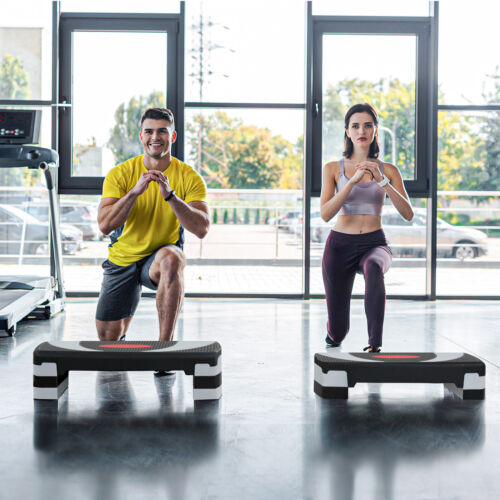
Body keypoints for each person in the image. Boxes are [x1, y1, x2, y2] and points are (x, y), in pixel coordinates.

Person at [96, 107, 209, 359]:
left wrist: (170, 195)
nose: (154, 137)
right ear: (141, 136)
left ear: (173, 136)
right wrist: (135, 191)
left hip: (157, 260)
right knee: (108, 341)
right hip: (122, 260)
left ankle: (164, 348)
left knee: (173, 257)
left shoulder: (189, 176)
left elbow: (201, 229)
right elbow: (104, 225)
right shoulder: (121, 174)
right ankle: (122, 321)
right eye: (149, 131)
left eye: (162, 131)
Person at [320, 103, 413, 352]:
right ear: (348, 132)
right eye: (355, 125)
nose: (362, 130)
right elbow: (326, 214)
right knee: (338, 330)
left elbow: (408, 213)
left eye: (368, 125)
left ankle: (375, 344)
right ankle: (334, 332)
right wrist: (352, 182)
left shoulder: (389, 170)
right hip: (339, 245)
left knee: (374, 266)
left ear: (375, 130)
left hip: (374, 243)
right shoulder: (332, 169)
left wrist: (382, 181)